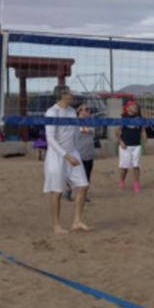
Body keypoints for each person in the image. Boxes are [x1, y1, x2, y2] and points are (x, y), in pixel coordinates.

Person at [43, 85, 91, 233]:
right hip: (57, 155)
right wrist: (66, 156)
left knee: (83, 185)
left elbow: (72, 134)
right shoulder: (52, 112)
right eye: (70, 93)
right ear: (63, 95)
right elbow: (50, 138)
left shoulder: (71, 111)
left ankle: (77, 221)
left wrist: (73, 153)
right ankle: (57, 225)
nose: (72, 95)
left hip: (72, 152)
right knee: (57, 192)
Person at [66, 102, 104, 202]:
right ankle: (69, 191)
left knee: (87, 176)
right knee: (73, 176)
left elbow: (94, 137)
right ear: (79, 111)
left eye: (88, 109)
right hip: (78, 153)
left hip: (89, 153)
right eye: (86, 109)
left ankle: (84, 195)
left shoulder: (91, 123)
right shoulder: (75, 123)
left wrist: (100, 148)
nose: (88, 111)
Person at [116, 100, 146, 193]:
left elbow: (143, 130)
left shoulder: (139, 118)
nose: (135, 107)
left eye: (135, 106)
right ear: (128, 108)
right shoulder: (123, 118)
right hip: (125, 145)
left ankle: (136, 184)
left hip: (136, 144)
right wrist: (121, 141)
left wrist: (146, 142)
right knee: (124, 167)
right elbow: (116, 131)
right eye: (133, 105)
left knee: (136, 165)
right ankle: (122, 180)